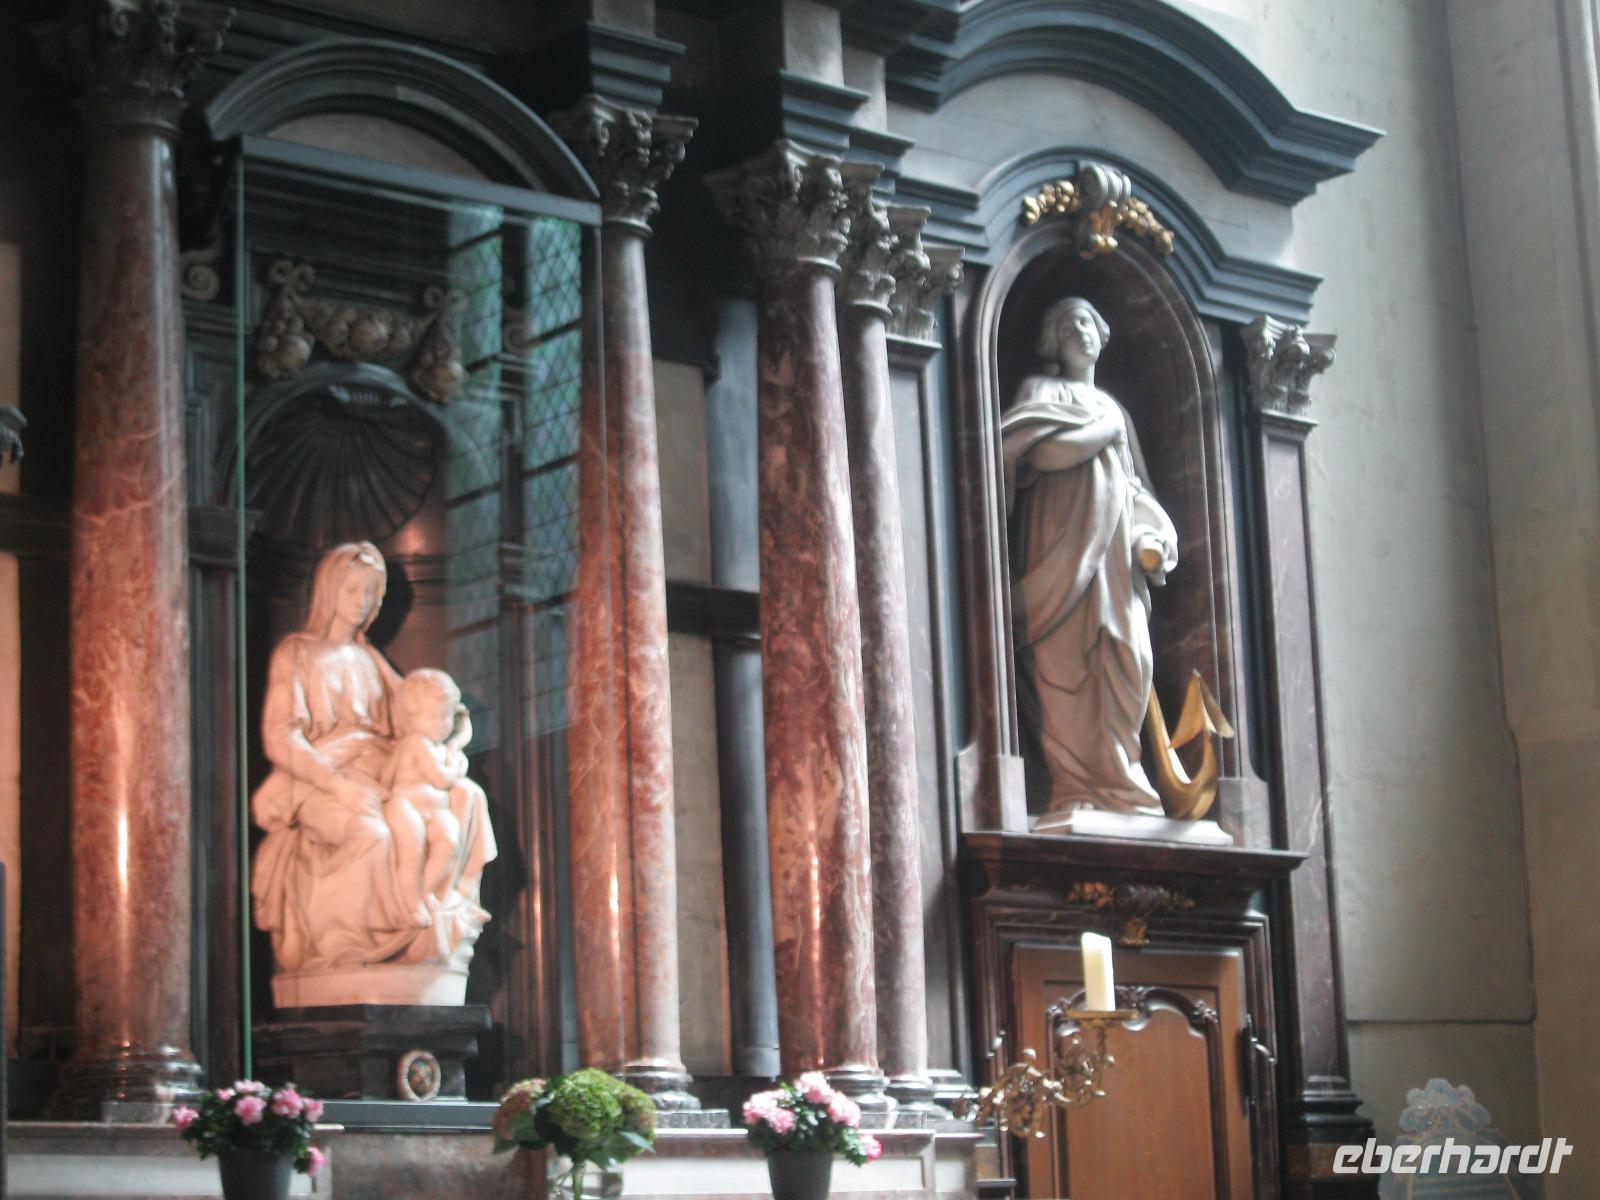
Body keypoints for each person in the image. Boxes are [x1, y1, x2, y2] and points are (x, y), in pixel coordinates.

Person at [250, 541, 495, 1003]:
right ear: (328, 590)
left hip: (384, 770)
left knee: (468, 797)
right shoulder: (297, 653)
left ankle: (447, 912)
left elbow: (421, 710)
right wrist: (338, 786)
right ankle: (350, 946)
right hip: (323, 776)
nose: (362, 601)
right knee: (375, 832)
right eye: (352, 589)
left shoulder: (370, 658)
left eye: (370, 592)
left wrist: (453, 735)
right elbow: (280, 738)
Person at [1002, 297, 1178, 815]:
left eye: (1086, 322)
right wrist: (1105, 431)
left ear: (1102, 333)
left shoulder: (1116, 408)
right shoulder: (1043, 390)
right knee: (1066, 664)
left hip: (1116, 566)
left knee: (1128, 655)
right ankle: (1075, 786)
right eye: (1067, 327)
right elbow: (1041, 453)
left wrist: (1152, 536)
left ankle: (1123, 779)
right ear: (1053, 344)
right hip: (1059, 556)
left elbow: (1134, 486)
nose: (1079, 332)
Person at [385, 668, 487, 928]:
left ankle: (424, 892)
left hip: (435, 812)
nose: (442, 724)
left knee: (449, 843)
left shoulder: (436, 747)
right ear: (411, 717)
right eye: (433, 717)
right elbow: (440, 778)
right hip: (408, 808)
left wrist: (457, 743)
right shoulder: (416, 742)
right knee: (412, 853)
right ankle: (410, 904)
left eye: (447, 717)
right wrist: (457, 766)